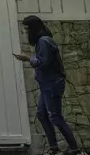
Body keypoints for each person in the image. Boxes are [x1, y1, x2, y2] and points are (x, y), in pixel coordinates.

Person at [13, 15, 86, 155]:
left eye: (27, 29)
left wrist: (27, 58)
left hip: (52, 84)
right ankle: (54, 148)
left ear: (34, 29)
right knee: (42, 114)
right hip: (47, 84)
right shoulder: (43, 40)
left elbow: (43, 63)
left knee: (55, 116)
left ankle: (75, 149)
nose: (26, 32)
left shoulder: (44, 41)